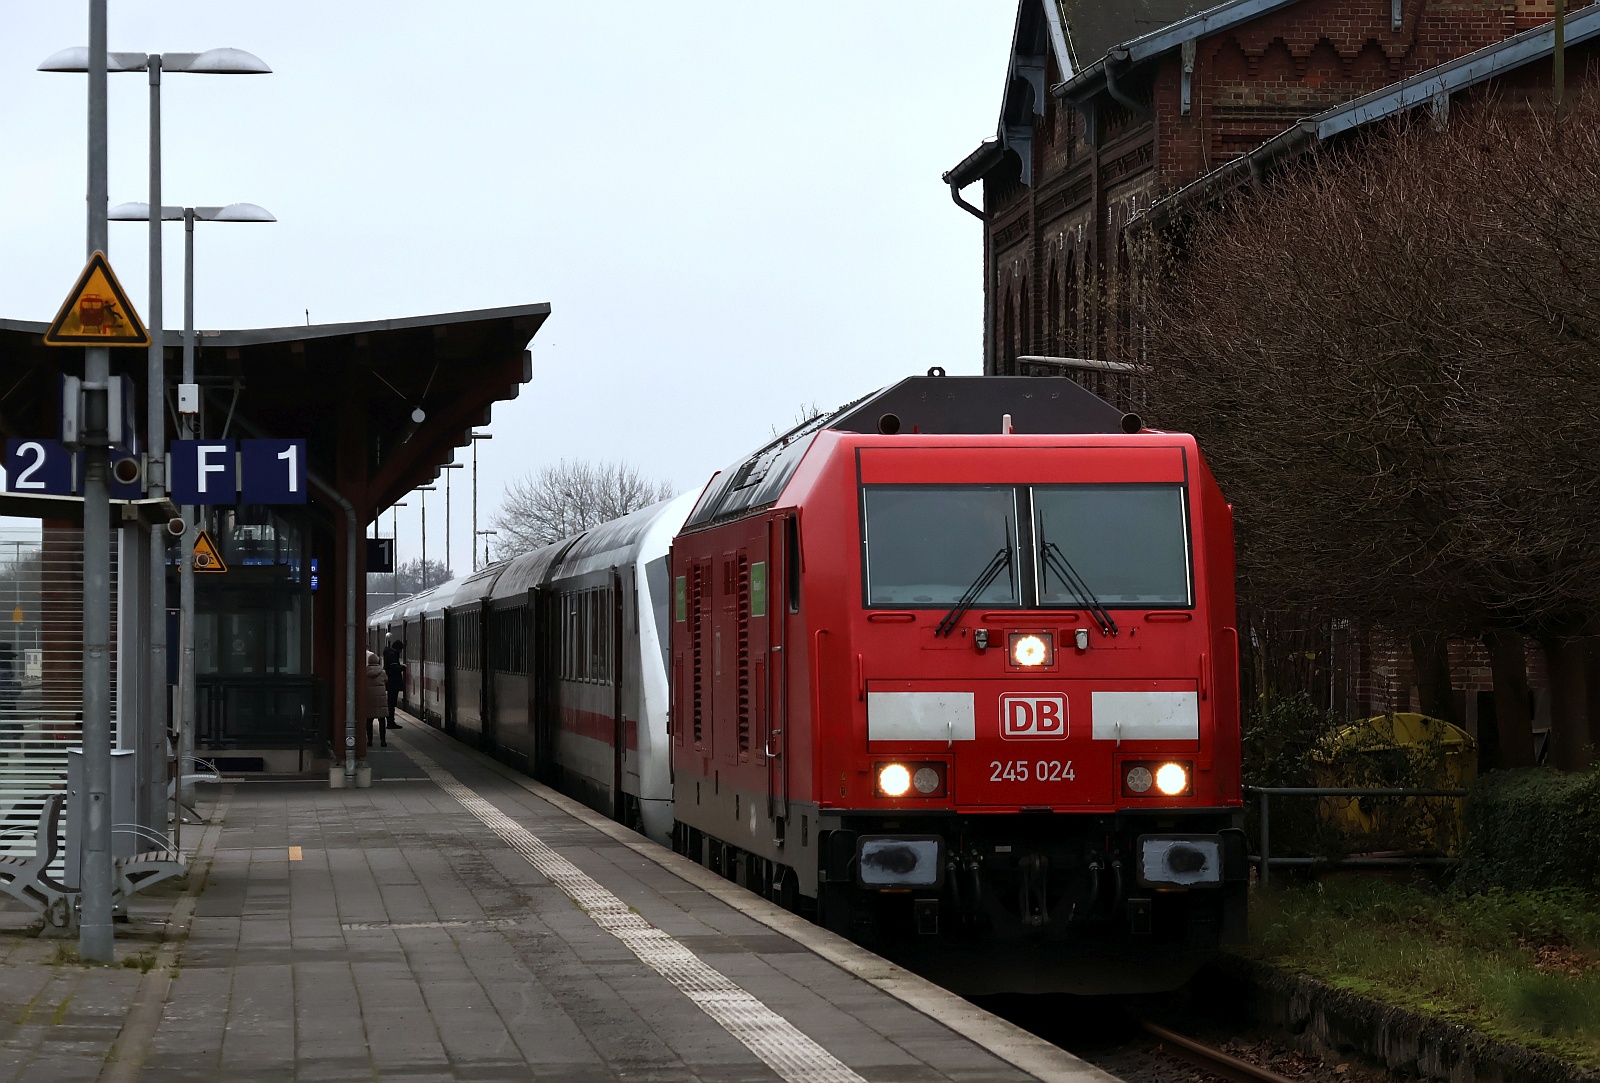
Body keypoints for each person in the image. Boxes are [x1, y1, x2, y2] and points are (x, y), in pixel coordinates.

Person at [365, 650, 388, 748]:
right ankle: (383, 741)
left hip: (369, 698)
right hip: (380, 699)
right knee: (382, 720)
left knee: (369, 720)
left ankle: (369, 741)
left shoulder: (364, 671)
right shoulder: (382, 672)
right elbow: (386, 680)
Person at [383, 639, 405, 730]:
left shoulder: (389, 654)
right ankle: (390, 722)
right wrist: (402, 667)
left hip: (391, 683)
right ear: (398, 649)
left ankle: (390, 721)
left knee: (391, 703)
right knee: (391, 703)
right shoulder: (392, 656)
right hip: (393, 683)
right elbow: (394, 668)